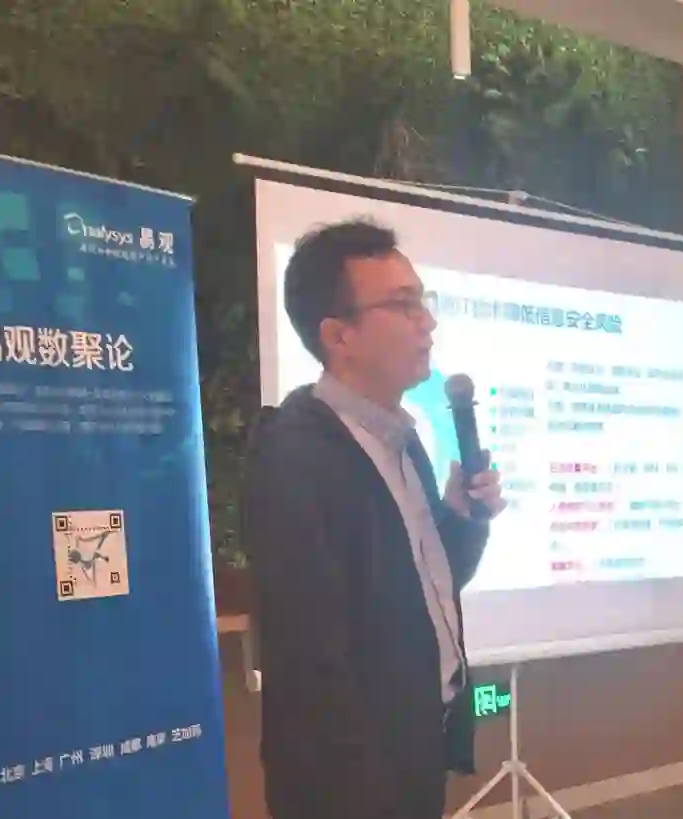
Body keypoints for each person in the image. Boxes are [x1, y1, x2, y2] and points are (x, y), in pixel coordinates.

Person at [244, 219, 505, 819]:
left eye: (423, 302)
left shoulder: (401, 443)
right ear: (340, 336)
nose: (427, 322)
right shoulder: (298, 456)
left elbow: (421, 587)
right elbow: (310, 660)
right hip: (353, 785)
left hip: (415, 751)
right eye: (403, 304)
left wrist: (460, 518)